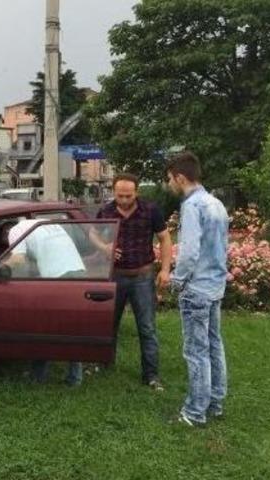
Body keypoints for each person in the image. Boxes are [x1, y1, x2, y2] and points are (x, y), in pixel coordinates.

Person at [165, 152, 229, 427]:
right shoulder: (216, 203)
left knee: (196, 351)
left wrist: (177, 281)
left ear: (180, 177)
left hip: (197, 288)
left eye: (169, 179)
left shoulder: (191, 206)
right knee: (214, 345)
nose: (168, 184)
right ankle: (215, 402)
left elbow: (189, 252)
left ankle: (194, 412)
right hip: (215, 285)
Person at [92, 173, 172, 391]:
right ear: (114, 192)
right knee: (109, 324)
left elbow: (165, 238)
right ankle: (104, 363)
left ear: (136, 192)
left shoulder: (150, 210)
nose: (124, 200)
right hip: (115, 276)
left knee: (147, 328)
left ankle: (151, 375)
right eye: (120, 195)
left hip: (142, 276)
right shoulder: (106, 210)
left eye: (128, 195)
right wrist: (103, 247)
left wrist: (165, 270)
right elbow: (93, 233)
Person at [3, 219, 85, 386]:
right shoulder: (44, 223)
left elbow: (18, 259)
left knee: (43, 328)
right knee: (72, 328)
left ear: (5, 232)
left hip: (58, 278)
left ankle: (38, 376)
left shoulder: (15, 231)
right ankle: (73, 376)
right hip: (79, 272)